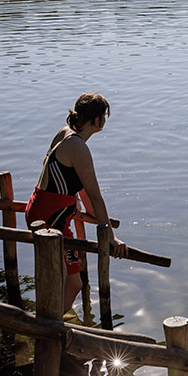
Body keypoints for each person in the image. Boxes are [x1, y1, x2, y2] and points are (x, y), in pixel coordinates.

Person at [25, 93, 127, 310]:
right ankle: (49, 322)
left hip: (38, 208)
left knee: (60, 276)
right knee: (73, 283)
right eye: (105, 116)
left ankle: (50, 315)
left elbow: (74, 183)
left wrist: (88, 211)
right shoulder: (79, 148)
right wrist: (111, 236)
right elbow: (95, 195)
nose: (105, 120)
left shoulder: (65, 133)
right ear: (98, 119)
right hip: (52, 220)